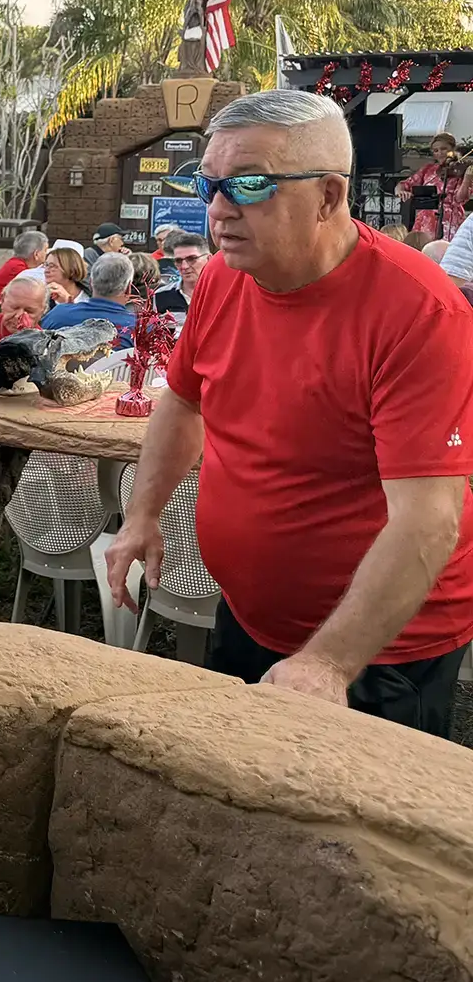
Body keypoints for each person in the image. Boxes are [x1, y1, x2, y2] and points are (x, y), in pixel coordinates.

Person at [108, 89, 473, 736]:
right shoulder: (224, 276)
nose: (219, 210)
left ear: (329, 196)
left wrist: (329, 663)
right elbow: (184, 401)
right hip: (250, 615)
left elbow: (428, 521)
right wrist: (142, 514)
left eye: (250, 184)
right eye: (210, 184)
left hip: (380, 648)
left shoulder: (419, 311)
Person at [42, 251, 138, 338]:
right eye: (46, 265)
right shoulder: (138, 328)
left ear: (91, 282)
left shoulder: (57, 315)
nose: (46, 270)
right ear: (128, 289)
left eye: (52, 266)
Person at [396, 131, 465, 243]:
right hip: (426, 220)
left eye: (444, 149)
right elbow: (403, 184)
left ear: (452, 149)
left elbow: (460, 198)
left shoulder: (459, 170)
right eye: (436, 150)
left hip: (450, 220)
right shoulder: (428, 169)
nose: (440, 153)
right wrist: (401, 191)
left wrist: (467, 177)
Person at [154, 232, 210, 315]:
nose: (184, 266)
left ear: (209, 259)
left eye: (191, 259)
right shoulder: (160, 295)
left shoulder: (223, 293)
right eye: (178, 261)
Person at [0, 228, 49, 301]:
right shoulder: (18, 268)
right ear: (36, 254)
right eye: (45, 250)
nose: (47, 253)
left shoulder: (15, 263)